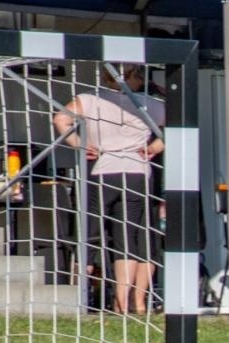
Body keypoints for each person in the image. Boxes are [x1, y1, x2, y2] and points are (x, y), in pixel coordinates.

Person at [52, 64, 166, 314]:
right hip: (137, 171)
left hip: (104, 168)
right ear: (135, 77)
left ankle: (78, 297)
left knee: (90, 233)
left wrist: (80, 144)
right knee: (128, 238)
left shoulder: (90, 99)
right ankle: (123, 303)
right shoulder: (151, 104)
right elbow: (177, 125)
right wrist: (154, 147)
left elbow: (60, 118)